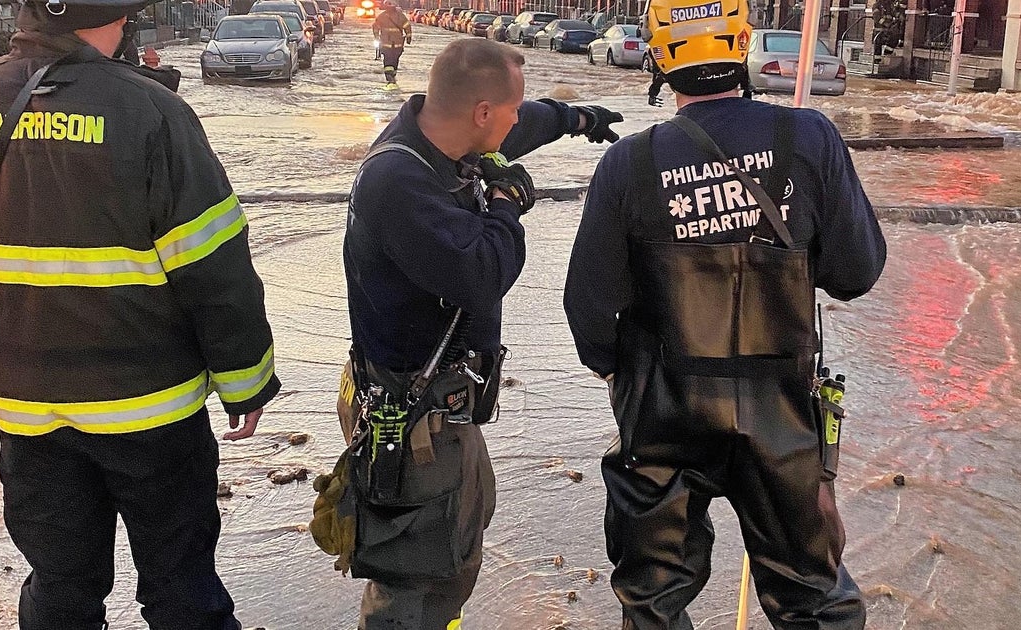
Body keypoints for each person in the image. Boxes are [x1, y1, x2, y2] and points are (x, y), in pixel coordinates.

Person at [0, 0, 280, 626]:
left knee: (61, 584)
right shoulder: (154, 113)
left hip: (28, 408)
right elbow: (214, 267)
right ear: (118, 17)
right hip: (151, 409)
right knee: (182, 585)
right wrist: (245, 380)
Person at [563, 0, 886, 627]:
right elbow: (857, 271)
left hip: (664, 408)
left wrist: (621, 377)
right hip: (782, 413)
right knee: (812, 597)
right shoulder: (808, 137)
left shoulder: (627, 164)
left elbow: (591, 309)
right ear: (741, 43)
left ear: (659, 57)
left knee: (652, 599)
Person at [332, 38, 622, 629]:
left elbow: (524, 124)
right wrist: (507, 204)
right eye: (509, 110)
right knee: (414, 577)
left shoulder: (445, 137)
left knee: (457, 547)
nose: (518, 121)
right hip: (412, 417)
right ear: (482, 112)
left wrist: (579, 119)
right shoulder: (399, 182)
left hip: (442, 408)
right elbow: (482, 273)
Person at [371, 0, 410, 88]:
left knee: (394, 61)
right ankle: (389, 79)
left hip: (397, 45)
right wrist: (376, 36)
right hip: (386, 44)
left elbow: (407, 26)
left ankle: (392, 77)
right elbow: (375, 26)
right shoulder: (382, 17)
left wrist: (409, 36)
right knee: (388, 61)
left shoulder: (400, 16)